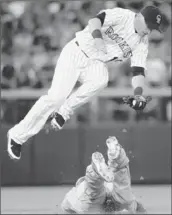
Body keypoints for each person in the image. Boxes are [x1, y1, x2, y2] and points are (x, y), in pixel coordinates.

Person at [8, 5, 164, 160]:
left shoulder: (142, 42)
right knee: (55, 98)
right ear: (140, 17)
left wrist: (138, 94)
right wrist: (97, 38)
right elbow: (95, 20)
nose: (149, 31)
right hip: (76, 52)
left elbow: (138, 71)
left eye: (153, 29)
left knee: (101, 79)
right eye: (149, 26)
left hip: (95, 63)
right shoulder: (123, 16)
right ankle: (17, 136)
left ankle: (64, 112)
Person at [59, 136, 147, 214]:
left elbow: (65, 207)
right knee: (123, 186)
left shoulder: (75, 193)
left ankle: (95, 173)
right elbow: (140, 209)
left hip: (93, 204)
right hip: (116, 198)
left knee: (92, 192)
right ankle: (117, 157)